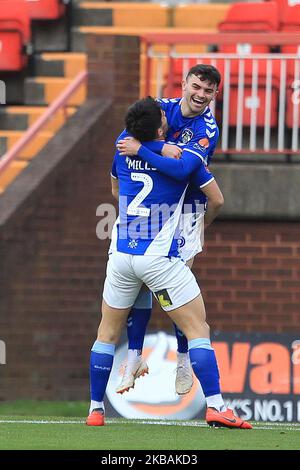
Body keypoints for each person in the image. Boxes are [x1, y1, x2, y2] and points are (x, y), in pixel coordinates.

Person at [86, 96, 252, 429]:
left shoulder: (122, 153)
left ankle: (95, 409)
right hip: (158, 258)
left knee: (105, 333)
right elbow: (213, 196)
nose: (169, 115)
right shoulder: (181, 160)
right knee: (198, 329)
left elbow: (116, 191)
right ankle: (217, 406)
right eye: (164, 115)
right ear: (161, 126)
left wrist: (144, 153)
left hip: (120, 256)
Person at [115, 64, 220, 396]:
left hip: (185, 210)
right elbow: (124, 137)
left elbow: (183, 170)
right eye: (197, 87)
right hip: (152, 207)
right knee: (139, 279)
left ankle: (184, 356)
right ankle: (134, 356)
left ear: (215, 94)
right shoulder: (162, 109)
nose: (201, 95)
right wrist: (158, 148)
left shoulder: (207, 127)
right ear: (184, 84)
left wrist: (145, 150)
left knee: (179, 286)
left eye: (208, 91)